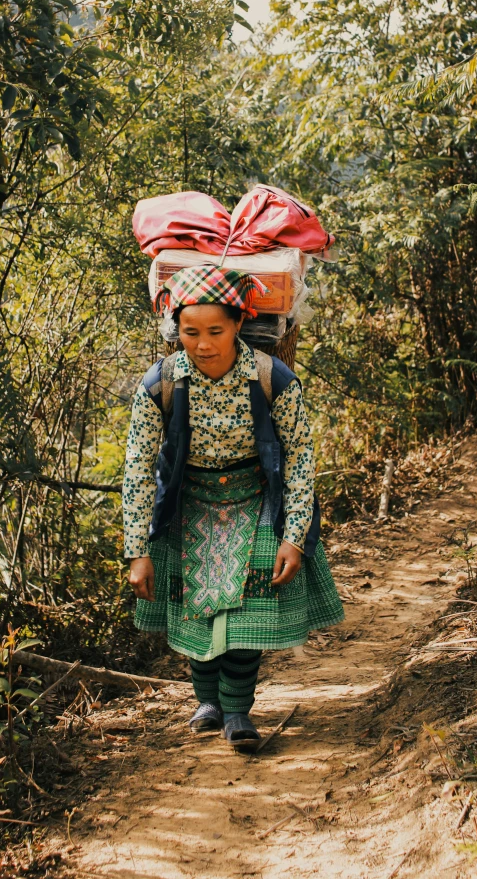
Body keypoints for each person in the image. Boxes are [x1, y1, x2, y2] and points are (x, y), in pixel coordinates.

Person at [122, 264, 343, 751]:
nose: (202, 344)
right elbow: (138, 465)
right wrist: (136, 549)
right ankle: (208, 701)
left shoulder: (271, 378)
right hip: (189, 500)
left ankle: (238, 710)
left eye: (215, 331)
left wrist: (294, 536)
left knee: (248, 603)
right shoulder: (159, 384)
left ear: (239, 324)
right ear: (175, 330)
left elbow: (301, 456)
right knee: (196, 606)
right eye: (190, 332)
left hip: (256, 497)